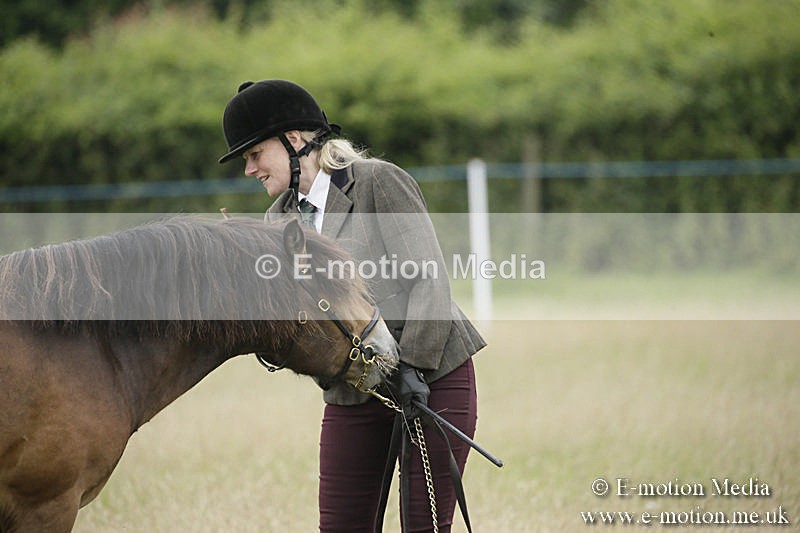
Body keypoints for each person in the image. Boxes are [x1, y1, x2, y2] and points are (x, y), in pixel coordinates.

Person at [219, 79, 486, 532]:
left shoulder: (377, 182)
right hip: (353, 390)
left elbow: (429, 279)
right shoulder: (276, 222)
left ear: (295, 142)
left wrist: (414, 369)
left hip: (432, 380)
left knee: (422, 526)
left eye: (254, 154)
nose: (249, 169)